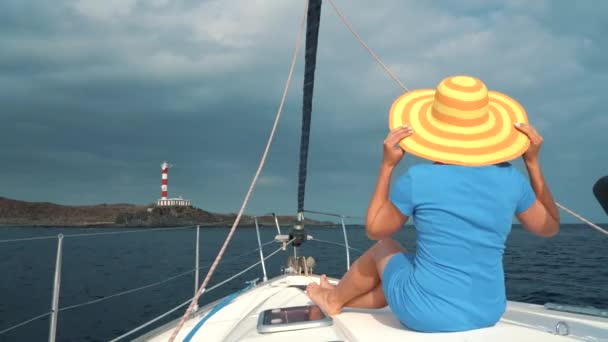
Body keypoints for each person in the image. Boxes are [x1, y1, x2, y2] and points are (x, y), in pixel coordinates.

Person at [306, 75, 560, 332]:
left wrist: (387, 165)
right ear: (487, 132)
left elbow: (374, 230)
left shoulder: (419, 179)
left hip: (424, 315)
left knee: (385, 247)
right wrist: (532, 162)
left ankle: (334, 299)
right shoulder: (511, 180)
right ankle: (341, 295)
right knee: (408, 267)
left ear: (434, 130)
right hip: (488, 311)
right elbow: (548, 227)